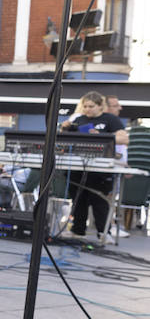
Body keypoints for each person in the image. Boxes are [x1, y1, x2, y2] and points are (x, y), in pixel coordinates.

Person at [60, 90, 124, 239]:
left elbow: (124, 138)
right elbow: (66, 140)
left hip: (100, 169)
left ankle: (103, 233)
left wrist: (101, 136)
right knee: (78, 199)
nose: (88, 109)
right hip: (79, 166)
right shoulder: (80, 119)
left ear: (100, 106)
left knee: (99, 202)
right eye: (85, 106)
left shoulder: (110, 119)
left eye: (91, 106)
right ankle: (77, 231)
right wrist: (64, 128)